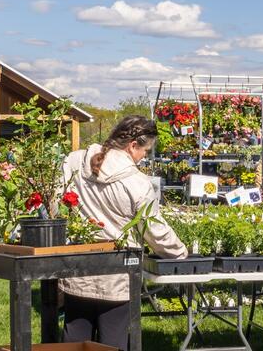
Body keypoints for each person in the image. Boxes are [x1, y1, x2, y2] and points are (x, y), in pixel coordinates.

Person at [60, 115, 187, 350]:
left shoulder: (75, 161)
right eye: (145, 151)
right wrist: (180, 253)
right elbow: (154, 230)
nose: (144, 157)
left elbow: (55, 203)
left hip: (76, 266)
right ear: (132, 146)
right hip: (116, 274)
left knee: (73, 342)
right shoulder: (137, 182)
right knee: (113, 342)